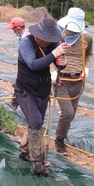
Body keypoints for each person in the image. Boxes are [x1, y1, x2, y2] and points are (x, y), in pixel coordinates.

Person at [14, 17, 69, 176]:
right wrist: (54, 54)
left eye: (50, 39)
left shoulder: (52, 44)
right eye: (44, 39)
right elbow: (33, 64)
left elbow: (56, 62)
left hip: (42, 90)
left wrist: (62, 61)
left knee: (35, 123)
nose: (47, 42)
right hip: (25, 90)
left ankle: (25, 151)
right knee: (36, 122)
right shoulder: (26, 43)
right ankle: (38, 161)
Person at [53, 8, 94, 154]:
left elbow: (89, 54)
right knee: (67, 112)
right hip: (61, 79)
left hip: (77, 80)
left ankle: (62, 135)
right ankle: (59, 140)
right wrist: (52, 70)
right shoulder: (57, 36)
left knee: (73, 112)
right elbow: (49, 54)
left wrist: (86, 68)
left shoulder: (87, 38)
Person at [5, 17, 29, 110]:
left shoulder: (25, 39)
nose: (13, 31)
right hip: (24, 67)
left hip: (27, 68)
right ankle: (15, 102)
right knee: (19, 85)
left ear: (18, 28)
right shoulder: (25, 36)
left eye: (13, 29)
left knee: (20, 86)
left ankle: (16, 103)